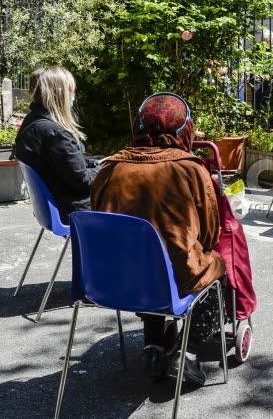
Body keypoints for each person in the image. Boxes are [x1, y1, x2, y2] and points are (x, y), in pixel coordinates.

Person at [90, 93, 225, 387]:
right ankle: (187, 352)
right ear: (185, 128)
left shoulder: (109, 169)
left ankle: (152, 347)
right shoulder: (190, 169)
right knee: (212, 264)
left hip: (112, 281)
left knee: (144, 260)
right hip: (171, 280)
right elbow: (211, 235)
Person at [15, 66, 102, 224]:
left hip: (52, 207)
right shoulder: (54, 133)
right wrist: (109, 171)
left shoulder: (32, 122)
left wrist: (96, 163)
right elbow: (83, 182)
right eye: (72, 88)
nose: (74, 93)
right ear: (60, 92)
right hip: (74, 210)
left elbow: (62, 165)